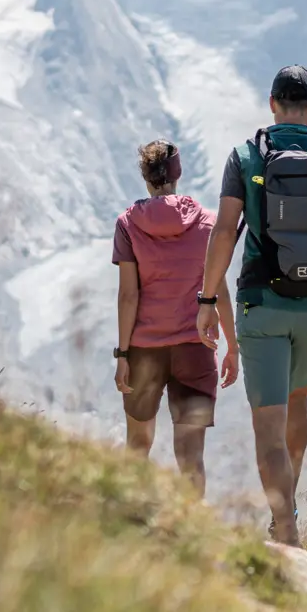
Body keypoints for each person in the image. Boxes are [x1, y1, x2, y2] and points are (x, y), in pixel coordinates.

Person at [197, 65, 307, 545]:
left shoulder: (245, 156)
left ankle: (286, 526)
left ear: (271, 103)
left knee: (267, 424)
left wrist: (207, 298)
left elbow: (224, 232)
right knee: (298, 401)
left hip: (260, 305)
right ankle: (288, 509)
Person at [112, 139, 237, 497]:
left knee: (137, 445)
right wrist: (232, 346)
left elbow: (128, 295)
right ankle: (193, 539)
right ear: (178, 175)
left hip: (144, 351)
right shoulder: (207, 224)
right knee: (190, 455)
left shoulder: (127, 224)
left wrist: (123, 356)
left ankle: (130, 525)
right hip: (194, 350)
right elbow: (220, 290)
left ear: (146, 178)